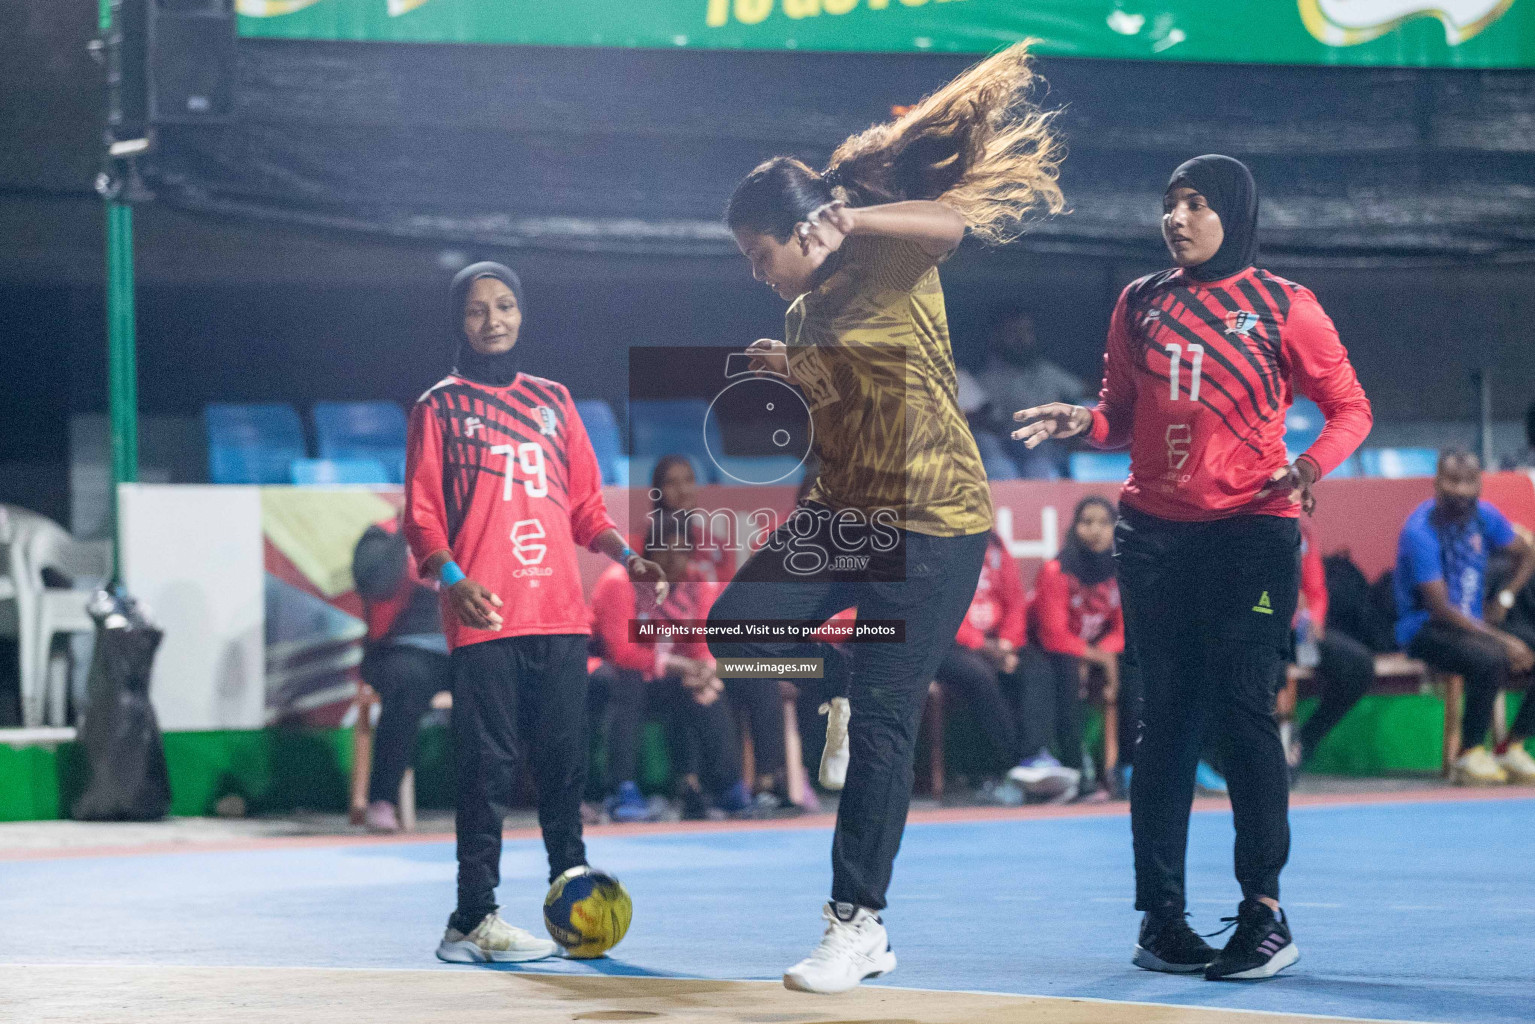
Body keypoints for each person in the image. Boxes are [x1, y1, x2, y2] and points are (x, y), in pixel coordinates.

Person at [709, 42, 1064, 993]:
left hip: (934, 523)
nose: (756, 273)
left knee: (885, 722)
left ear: (805, 229)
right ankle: (832, 686)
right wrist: (786, 374)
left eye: (759, 254)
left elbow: (949, 224)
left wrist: (847, 215)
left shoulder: (888, 254)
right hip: (845, 515)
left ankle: (856, 925)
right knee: (734, 623)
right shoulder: (797, 319)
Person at [1014, 154, 1372, 980]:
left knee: (1245, 709)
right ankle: (1161, 920)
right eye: (1167, 203)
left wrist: (1312, 464)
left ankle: (1264, 913)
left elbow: (1350, 408)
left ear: (1234, 215)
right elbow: (1117, 418)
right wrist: (1083, 421)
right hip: (1153, 535)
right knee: (1163, 722)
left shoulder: (1286, 306)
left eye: (1195, 204)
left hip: (1250, 531)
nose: (1174, 218)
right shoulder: (1139, 302)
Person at [404, 261, 665, 964]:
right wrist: (454, 581)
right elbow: (422, 519)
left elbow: (583, 506)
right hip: (486, 616)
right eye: (476, 310)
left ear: (523, 313)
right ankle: (471, 919)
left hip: (559, 613)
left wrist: (624, 555)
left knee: (563, 766)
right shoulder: (439, 407)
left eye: (505, 306)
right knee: (485, 772)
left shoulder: (553, 399)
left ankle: (571, 895)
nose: (493, 320)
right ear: (457, 322)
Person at [589, 519, 752, 822]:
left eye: (682, 551)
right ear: (649, 553)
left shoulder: (696, 583)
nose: (673, 559)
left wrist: (705, 672)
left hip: (665, 676)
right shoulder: (620, 581)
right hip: (610, 675)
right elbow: (621, 652)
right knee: (629, 682)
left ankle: (726, 787)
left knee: (705, 690)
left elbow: (702, 643)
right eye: (665, 551)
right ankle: (620, 789)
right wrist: (681, 666)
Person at [1394, 450, 1535, 785]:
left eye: (1468, 482)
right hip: (1424, 628)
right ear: (1437, 484)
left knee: (1503, 649)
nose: (1459, 490)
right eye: (1451, 481)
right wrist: (1502, 638)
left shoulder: (1486, 517)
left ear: (1479, 484)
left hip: (1474, 625)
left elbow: (1527, 552)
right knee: (1491, 657)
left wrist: (1505, 596)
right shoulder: (1420, 531)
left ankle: (1511, 747)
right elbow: (1441, 609)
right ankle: (1468, 754)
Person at [352, 510, 451, 833]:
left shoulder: (464, 532)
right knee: (407, 683)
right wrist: (407, 532)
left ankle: (501, 793)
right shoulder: (379, 535)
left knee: (501, 678)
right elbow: (375, 584)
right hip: (396, 649)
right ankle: (382, 799)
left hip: (457, 649)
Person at [1021, 496, 1126, 801]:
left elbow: (1122, 628)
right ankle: (1076, 770)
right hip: (1048, 650)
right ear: (1074, 527)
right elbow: (1053, 634)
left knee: (1134, 670)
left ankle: (1126, 767)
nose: (1095, 530)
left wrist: (1105, 656)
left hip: (1095, 650)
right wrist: (1097, 658)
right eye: (1086, 522)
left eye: (1104, 523)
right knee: (1066, 670)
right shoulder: (1057, 570)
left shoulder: (1121, 570)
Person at [931, 531, 1041, 787]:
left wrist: (1007, 644)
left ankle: (1035, 755)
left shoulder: (997, 549)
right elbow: (941, 609)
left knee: (1036, 666)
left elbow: (1014, 602)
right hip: (948, 645)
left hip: (996, 643)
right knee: (979, 675)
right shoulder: (935, 546)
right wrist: (982, 646)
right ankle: (1015, 764)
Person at [1284, 522, 1374, 775]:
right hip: (1260, 628)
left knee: (1358, 665)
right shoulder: (1246, 525)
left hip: (1299, 632)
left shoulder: (1303, 533)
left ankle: (1304, 743)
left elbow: (1315, 589)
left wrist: (1314, 618)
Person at [975, 310, 1086, 479]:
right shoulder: (982, 380)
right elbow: (985, 425)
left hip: (1044, 452)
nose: (1021, 338)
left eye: (1026, 332)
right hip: (1001, 455)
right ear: (996, 336)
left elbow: (1084, 394)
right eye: (1013, 333)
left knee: (1041, 463)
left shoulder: (1046, 372)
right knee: (994, 458)